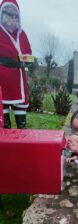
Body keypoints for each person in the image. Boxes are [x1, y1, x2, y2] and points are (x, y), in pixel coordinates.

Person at [0, 0, 32, 129]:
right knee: (3, 116)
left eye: (15, 15)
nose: (12, 17)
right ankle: (6, 142)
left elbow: (28, 51)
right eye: (8, 13)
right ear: (2, 13)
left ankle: (22, 140)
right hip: (2, 77)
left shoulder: (22, 33)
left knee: (21, 120)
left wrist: (28, 59)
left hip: (18, 77)